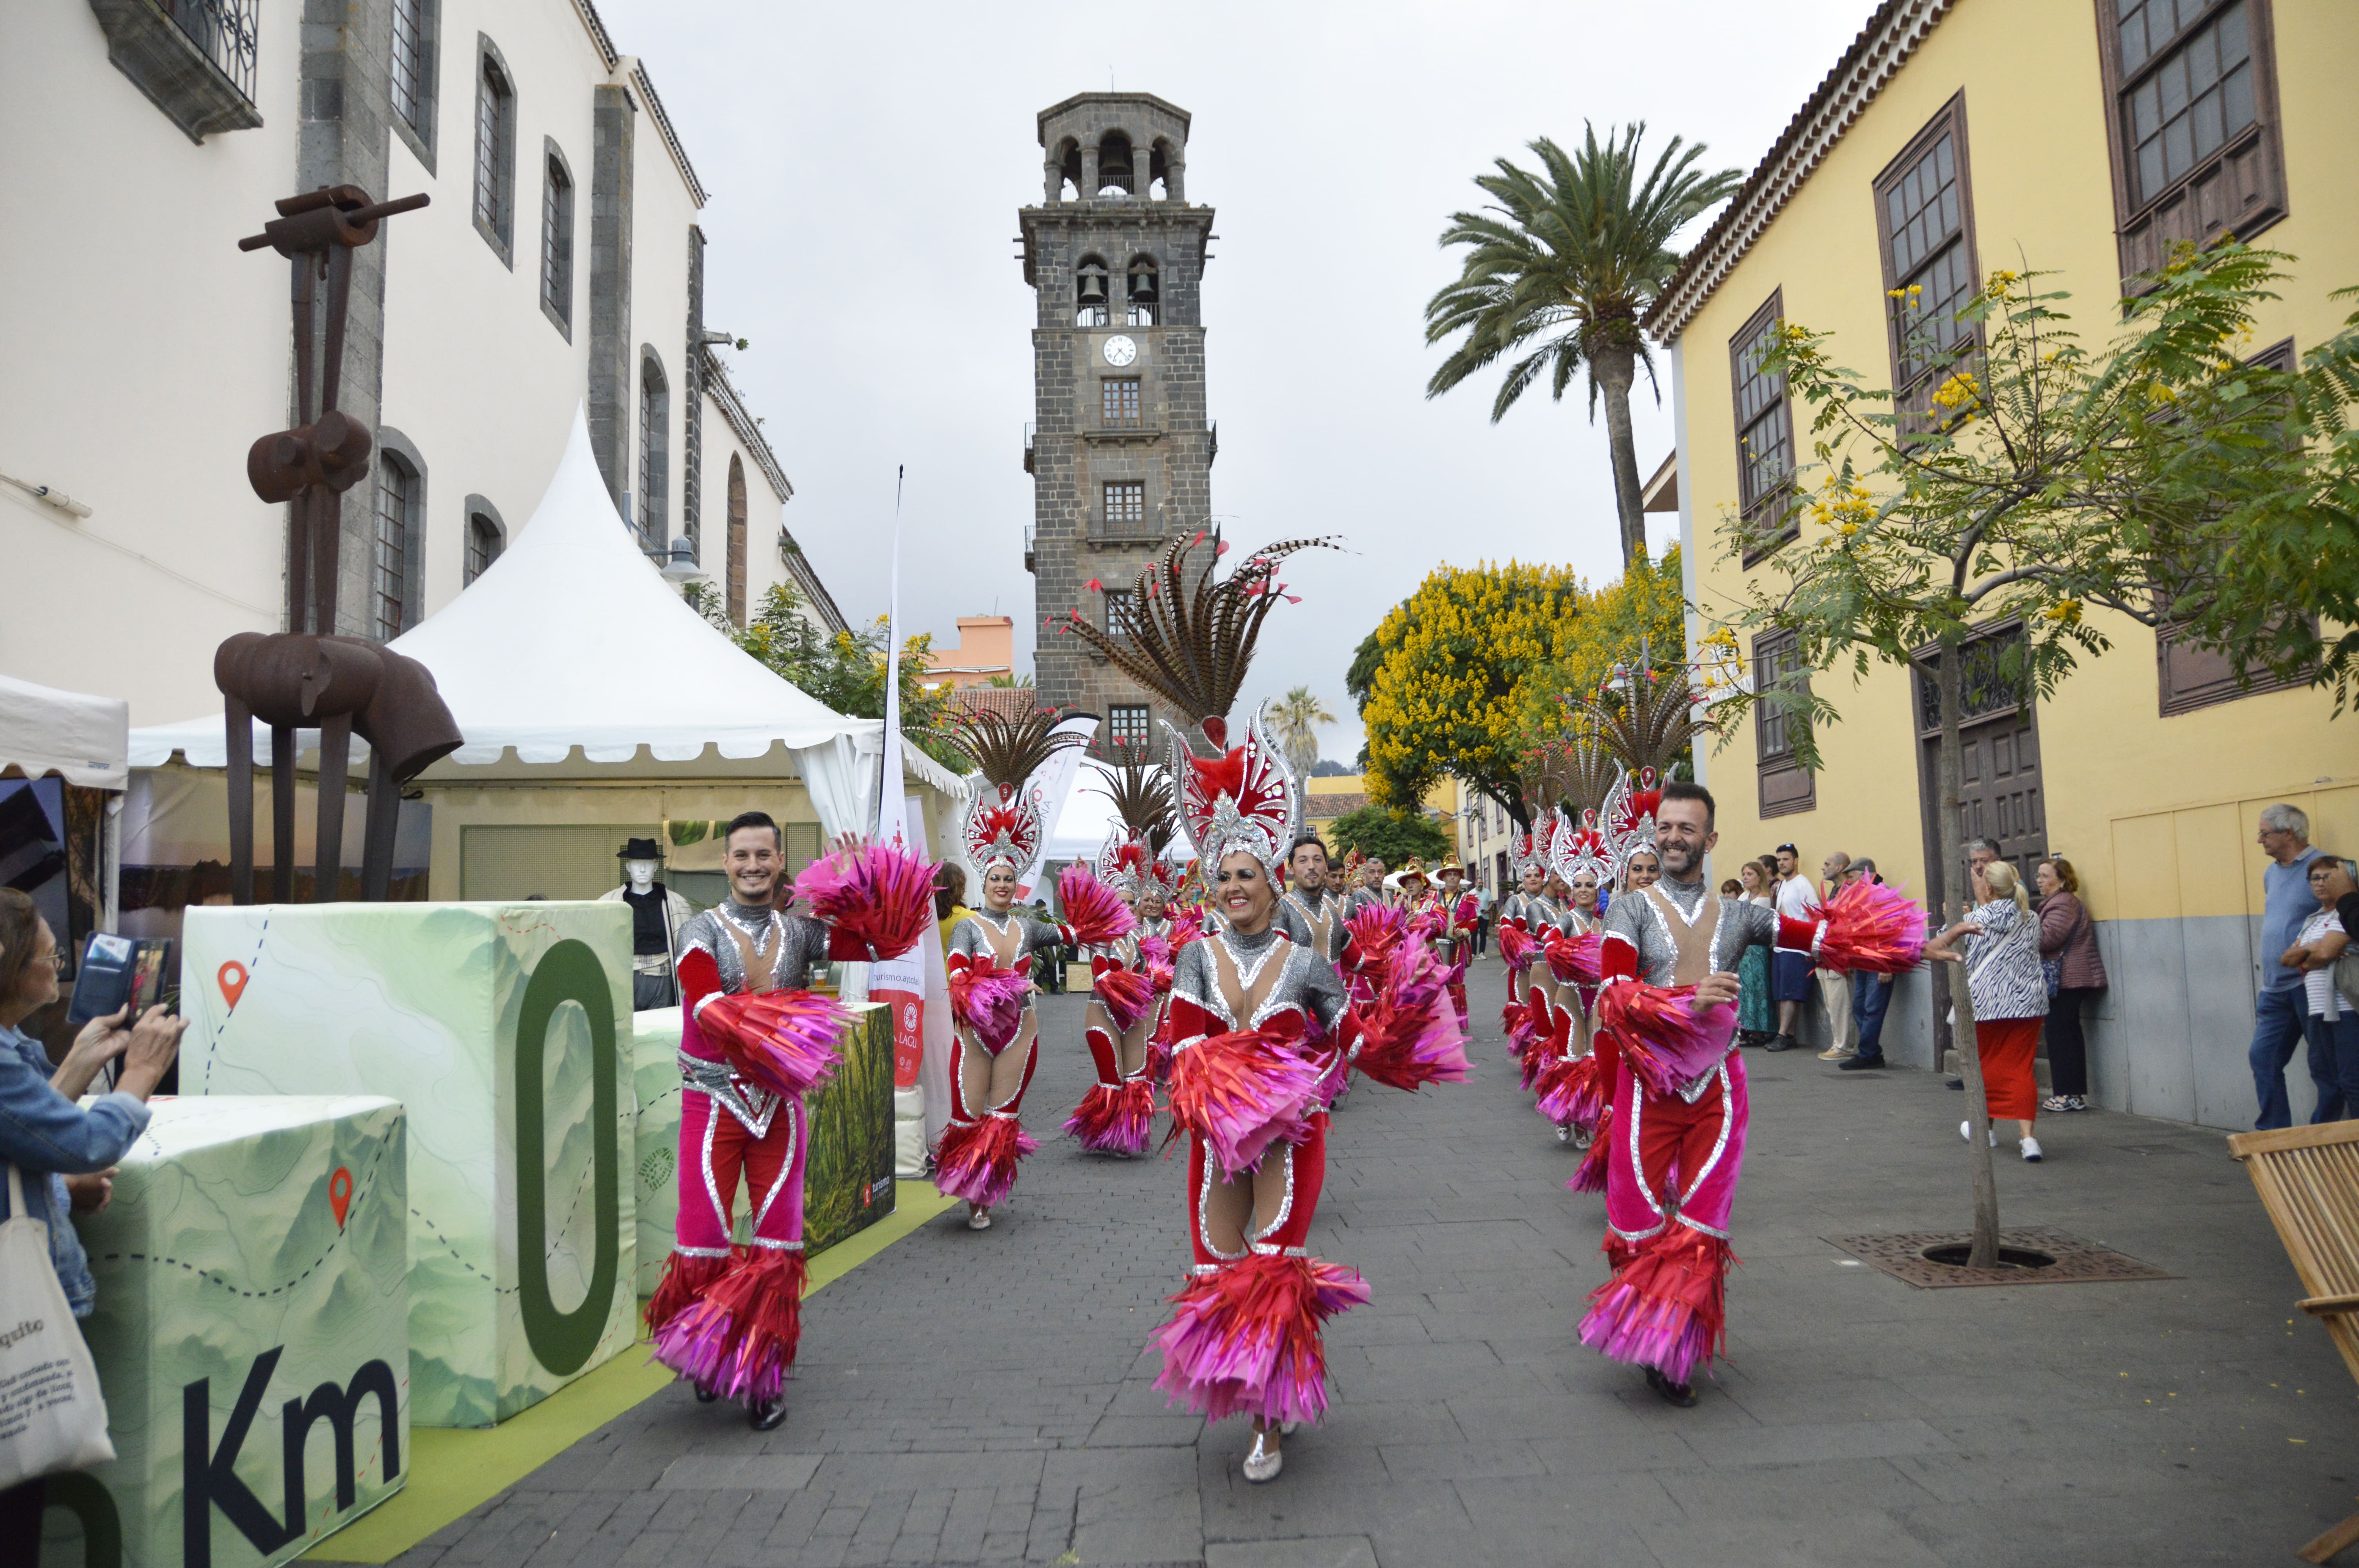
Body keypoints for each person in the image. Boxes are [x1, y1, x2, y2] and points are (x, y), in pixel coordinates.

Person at [1581, 782, 1915, 1406]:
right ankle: (1649, 1328)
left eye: (1687, 829)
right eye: (1666, 827)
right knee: (1637, 1226)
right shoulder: (1626, 911)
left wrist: (1914, 944)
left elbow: (1824, 939)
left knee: (1702, 1224)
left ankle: (1675, 1352)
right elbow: (1614, 994)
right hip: (1646, 1090)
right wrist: (1686, 1001)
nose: (1674, 838)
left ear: (1710, 840)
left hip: (1718, 1091)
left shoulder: (1744, 915)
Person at [646, 815, 924, 1430]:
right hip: (713, 1105)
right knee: (703, 1242)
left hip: (779, 1109)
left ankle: (761, 1377)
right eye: (741, 855)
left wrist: (868, 879)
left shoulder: (800, 933)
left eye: (763, 855)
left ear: (779, 861)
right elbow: (706, 1003)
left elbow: (882, 946)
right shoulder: (700, 930)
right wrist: (769, 1024)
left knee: (778, 1247)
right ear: (725, 863)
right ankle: (710, 1351)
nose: (752, 866)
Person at [0, 889, 187, 1553]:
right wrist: (138, 1074)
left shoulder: (13, 1049)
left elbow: (27, 1137)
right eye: (49, 954)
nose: (60, 961)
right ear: (9, 964)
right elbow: (78, 1143)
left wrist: (82, 1061)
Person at [1925, 859, 2049, 1162]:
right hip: (2029, 1004)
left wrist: (1950, 919)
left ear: (1989, 887)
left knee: (1985, 1068)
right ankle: (2028, 1139)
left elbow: (1945, 948)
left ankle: (1985, 1130)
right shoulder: (2031, 917)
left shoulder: (1975, 919)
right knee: (2021, 1068)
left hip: (1988, 1005)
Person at [2252, 804, 2326, 1130]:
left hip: (2307, 984)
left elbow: (2342, 917)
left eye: (2265, 833)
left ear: (2289, 833)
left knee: (2325, 1066)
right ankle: (2273, 1134)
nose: (2259, 840)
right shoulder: (2271, 872)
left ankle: (2327, 1135)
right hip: (2274, 987)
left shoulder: (2324, 869)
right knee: (2263, 1058)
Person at [2283, 855, 2357, 1121]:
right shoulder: (2312, 920)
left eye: (2328, 877)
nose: (2322, 883)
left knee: (2352, 1081)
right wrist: (2310, 950)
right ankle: (2323, 1146)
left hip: (2346, 1010)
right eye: (2316, 878)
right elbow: (2286, 960)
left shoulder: (2346, 915)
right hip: (2317, 1011)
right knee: (2326, 1081)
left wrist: (2309, 955)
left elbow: (2324, 954)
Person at [2034, 856, 2107, 1111]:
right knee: (2067, 1034)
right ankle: (2073, 1095)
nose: (2039, 881)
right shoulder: (2059, 903)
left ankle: (2066, 1095)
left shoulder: (2063, 904)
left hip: (2069, 979)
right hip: (2070, 978)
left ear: (2062, 880)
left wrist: (2022, 928)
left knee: (2060, 1035)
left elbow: (2046, 939)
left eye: (2045, 876)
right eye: (2039, 876)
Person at [599, 838, 694, 1011]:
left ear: (656, 867)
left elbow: (687, 948)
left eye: (648, 863)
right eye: (637, 863)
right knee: (625, 1031)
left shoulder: (677, 904)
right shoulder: (607, 904)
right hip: (623, 980)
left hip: (663, 980)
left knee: (659, 1033)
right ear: (628, 867)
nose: (642, 869)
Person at [1839, 857, 1896, 1071]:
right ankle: (1871, 1052)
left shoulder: (1884, 895)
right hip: (1863, 961)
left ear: (1866, 875)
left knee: (1872, 1009)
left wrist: (1886, 965)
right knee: (1860, 1007)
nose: (1849, 884)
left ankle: (1867, 1054)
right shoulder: (1861, 896)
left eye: (1852, 878)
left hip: (1879, 960)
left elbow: (1892, 931)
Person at [1768, 842, 1816, 1053]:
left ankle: (1782, 1034)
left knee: (1789, 994)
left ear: (1796, 861)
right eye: (1779, 860)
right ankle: (1790, 1035)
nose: (1782, 864)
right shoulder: (1783, 885)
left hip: (1798, 949)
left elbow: (1816, 914)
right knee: (1781, 994)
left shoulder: (1803, 884)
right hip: (1781, 946)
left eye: (1786, 859)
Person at [1814, 849, 1857, 1062]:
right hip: (1828, 954)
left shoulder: (1848, 891)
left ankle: (1844, 1046)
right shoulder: (1834, 891)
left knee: (1841, 1002)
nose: (1823, 868)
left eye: (1827, 864)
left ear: (1840, 867)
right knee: (1832, 1002)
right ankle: (1838, 1043)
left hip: (1841, 956)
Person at [1734, 860, 1776, 1047]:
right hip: (1744, 948)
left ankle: (1759, 1030)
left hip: (1756, 948)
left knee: (1757, 988)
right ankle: (1745, 1028)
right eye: (1744, 874)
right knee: (1744, 989)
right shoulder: (1744, 896)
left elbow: (1755, 923)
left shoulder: (1764, 898)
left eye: (1750, 874)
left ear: (1759, 876)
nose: (1745, 878)